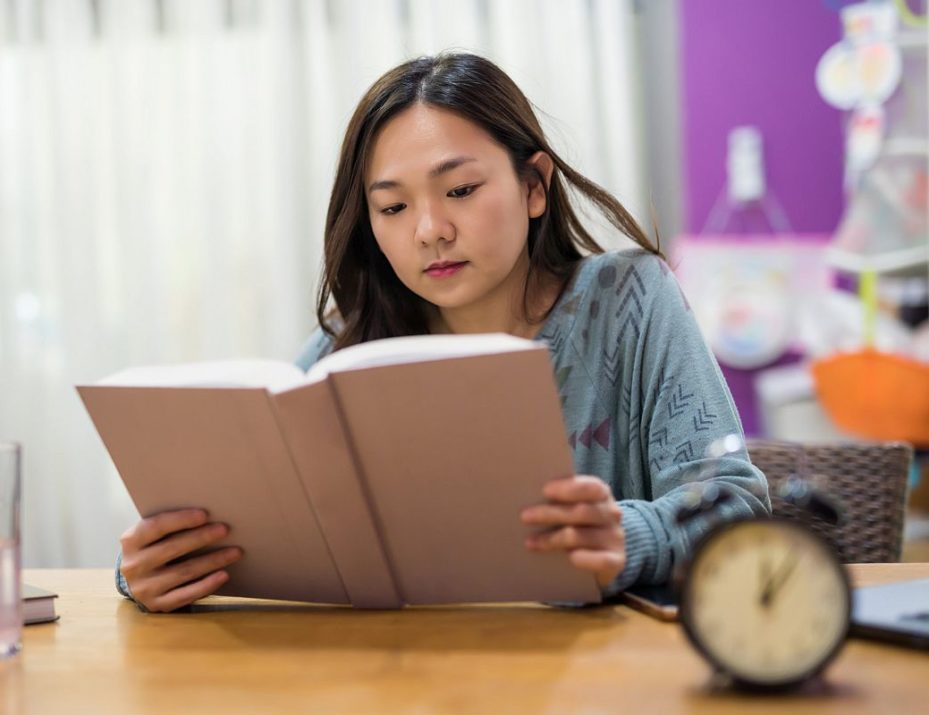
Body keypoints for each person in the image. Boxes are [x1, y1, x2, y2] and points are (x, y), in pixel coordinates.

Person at [115, 52, 770, 612]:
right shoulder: (353, 349)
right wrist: (147, 568)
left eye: (458, 190)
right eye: (393, 207)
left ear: (533, 184)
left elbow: (732, 503)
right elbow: (267, 528)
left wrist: (627, 537)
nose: (428, 229)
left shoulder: (630, 298)